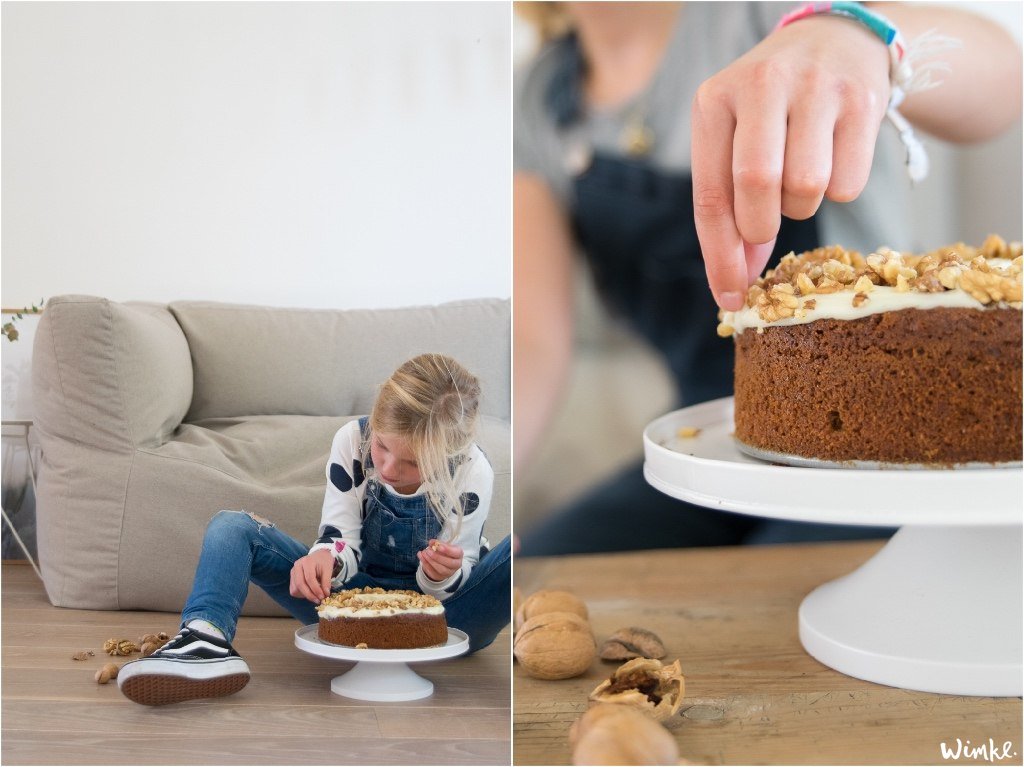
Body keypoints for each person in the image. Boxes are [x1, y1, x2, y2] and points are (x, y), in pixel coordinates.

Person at [514, 2, 1022, 555]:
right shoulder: (535, 98)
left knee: (780, 600)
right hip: (712, 440)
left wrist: (861, 37)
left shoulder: (758, 17)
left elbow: (1004, 82)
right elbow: (534, 343)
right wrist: (474, 477)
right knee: (545, 573)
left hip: (877, 433)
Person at [118, 353, 511, 705]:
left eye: (411, 463)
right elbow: (339, 536)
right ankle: (204, 640)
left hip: (447, 619)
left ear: (451, 455)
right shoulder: (352, 440)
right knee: (232, 527)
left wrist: (439, 573)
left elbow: (461, 576)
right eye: (383, 448)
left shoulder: (473, 469)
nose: (389, 469)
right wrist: (323, 557)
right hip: (349, 605)